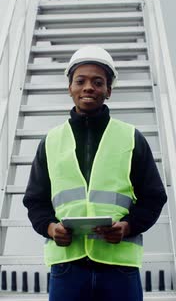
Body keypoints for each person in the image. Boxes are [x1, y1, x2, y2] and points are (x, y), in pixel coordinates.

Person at [23, 45, 167, 301]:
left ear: (108, 90)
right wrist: (49, 227)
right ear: (70, 88)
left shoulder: (131, 138)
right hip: (68, 267)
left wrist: (128, 226)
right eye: (81, 81)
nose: (88, 87)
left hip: (118, 266)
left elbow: (154, 197)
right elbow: (35, 200)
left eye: (97, 82)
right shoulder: (51, 141)